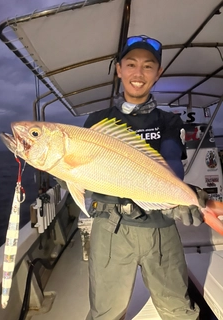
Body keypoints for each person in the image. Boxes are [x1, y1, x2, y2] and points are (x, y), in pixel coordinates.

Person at [84, 35, 207, 320]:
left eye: (148, 66)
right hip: (110, 228)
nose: (138, 74)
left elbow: (171, 163)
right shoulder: (96, 122)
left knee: (179, 310)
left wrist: (181, 197)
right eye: (131, 64)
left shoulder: (168, 121)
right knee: (105, 312)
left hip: (160, 227)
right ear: (119, 69)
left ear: (158, 73)